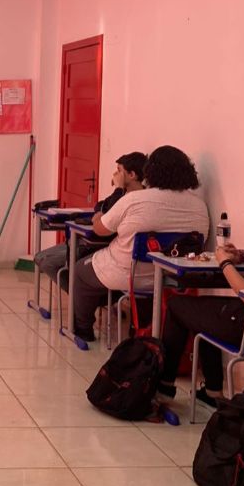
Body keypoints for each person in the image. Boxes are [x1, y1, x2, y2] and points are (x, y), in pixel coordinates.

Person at [64, 145, 209, 342]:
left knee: (80, 272)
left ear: (150, 172)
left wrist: (98, 216)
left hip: (128, 273)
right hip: (174, 279)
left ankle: (83, 330)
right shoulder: (199, 205)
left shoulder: (135, 199)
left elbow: (100, 230)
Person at [159, 241, 244, 407]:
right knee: (201, 311)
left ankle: (163, 388)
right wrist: (241, 256)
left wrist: (225, 262)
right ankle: (212, 391)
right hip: (243, 316)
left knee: (176, 306)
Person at [35, 152, 147, 283]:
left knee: (49, 262)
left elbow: (108, 216)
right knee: (40, 257)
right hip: (91, 244)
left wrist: (117, 190)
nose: (115, 175)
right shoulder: (122, 193)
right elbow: (100, 205)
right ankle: (77, 291)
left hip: (106, 248)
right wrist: (103, 210)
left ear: (132, 175)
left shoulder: (135, 199)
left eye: (119, 171)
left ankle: (76, 291)